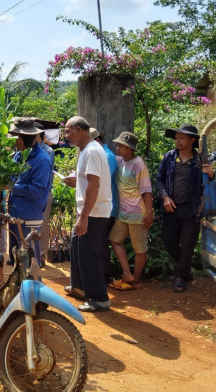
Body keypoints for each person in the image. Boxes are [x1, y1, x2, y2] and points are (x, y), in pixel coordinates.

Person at [62, 116, 112, 312]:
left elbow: (94, 185)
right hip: (91, 210)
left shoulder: (91, 151)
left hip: (93, 212)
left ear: (80, 131)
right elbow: (89, 181)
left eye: (68, 131)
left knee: (89, 255)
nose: (65, 135)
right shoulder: (86, 151)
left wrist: (84, 217)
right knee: (77, 245)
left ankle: (99, 299)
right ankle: (80, 287)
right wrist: (76, 182)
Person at [157, 123, 214, 293]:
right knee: (168, 241)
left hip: (191, 208)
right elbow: (159, 179)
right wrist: (165, 197)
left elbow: (210, 182)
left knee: (188, 244)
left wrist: (211, 174)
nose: (177, 141)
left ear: (191, 140)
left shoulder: (200, 159)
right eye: (176, 138)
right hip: (171, 207)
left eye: (181, 138)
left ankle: (181, 277)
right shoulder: (168, 157)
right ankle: (186, 269)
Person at [107, 132, 153, 291]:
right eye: (118, 145)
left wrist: (149, 213)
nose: (117, 148)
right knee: (114, 239)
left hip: (137, 213)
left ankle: (135, 281)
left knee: (139, 248)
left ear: (129, 148)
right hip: (124, 213)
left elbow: (147, 190)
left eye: (120, 146)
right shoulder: (120, 161)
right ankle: (128, 274)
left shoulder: (138, 164)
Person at [7, 118, 53, 268]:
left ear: (25, 137)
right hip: (15, 214)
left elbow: (38, 190)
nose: (14, 141)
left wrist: (13, 187)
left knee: (29, 264)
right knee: (16, 261)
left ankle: (32, 291)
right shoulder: (19, 156)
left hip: (29, 218)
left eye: (16, 137)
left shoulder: (42, 160)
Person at [91, 127, 118, 283]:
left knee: (100, 242)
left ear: (96, 141)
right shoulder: (101, 155)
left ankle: (105, 275)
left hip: (106, 207)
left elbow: (101, 182)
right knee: (98, 241)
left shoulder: (107, 157)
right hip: (99, 206)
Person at [35, 122, 55, 265]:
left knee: (43, 224)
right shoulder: (28, 150)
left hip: (44, 192)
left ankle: (41, 256)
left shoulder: (48, 151)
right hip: (34, 192)